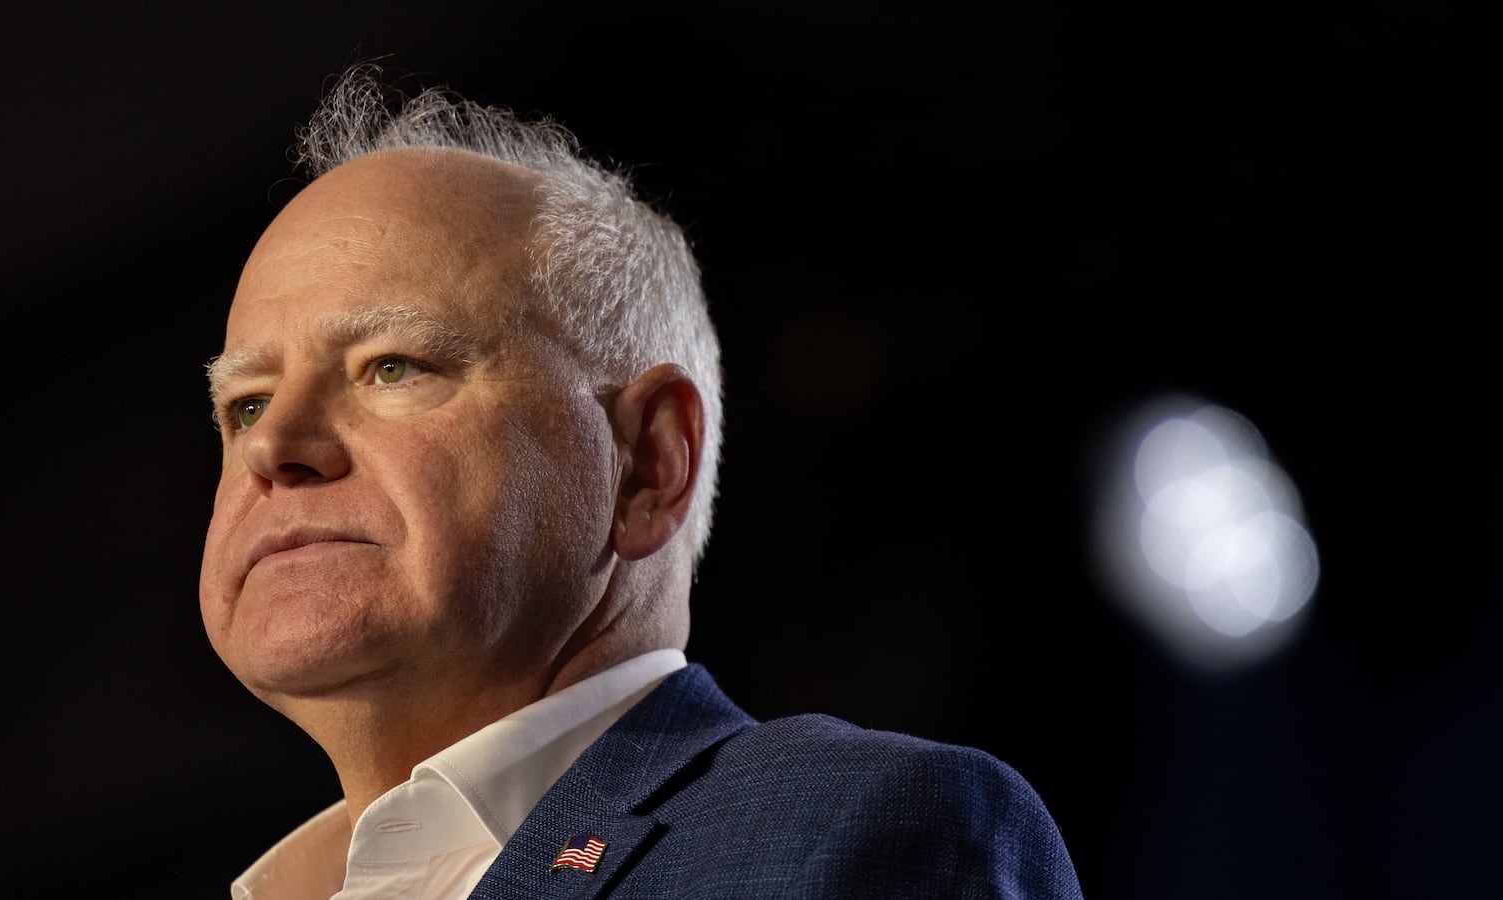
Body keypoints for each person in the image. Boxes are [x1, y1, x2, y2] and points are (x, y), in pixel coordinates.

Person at [199, 64, 1085, 899]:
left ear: (648, 463)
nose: (273, 444)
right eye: (245, 403)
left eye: (391, 366)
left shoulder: (842, 831)